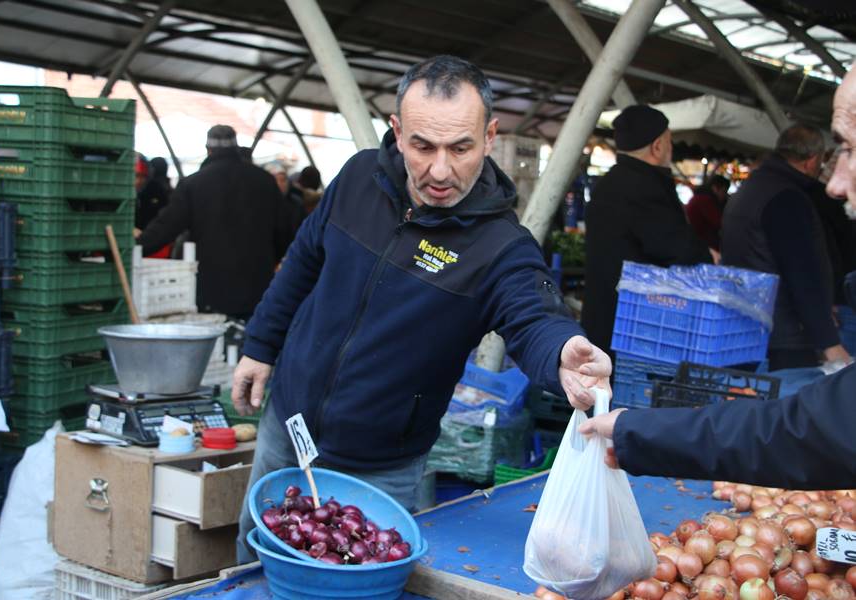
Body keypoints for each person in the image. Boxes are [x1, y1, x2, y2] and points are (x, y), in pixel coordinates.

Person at [231, 55, 613, 563]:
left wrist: (562, 350)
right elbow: (303, 261)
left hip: (382, 463)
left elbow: (532, 314)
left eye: (461, 148)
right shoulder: (357, 177)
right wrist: (260, 345)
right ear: (396, 130)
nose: (440, 170)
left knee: (354, 587)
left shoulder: (499, 246)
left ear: (490, 136)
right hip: (287, 426)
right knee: (255, 562)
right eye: (422, 146)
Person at [577, 67, 856, 491]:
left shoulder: (613, 185)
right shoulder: (654, 187)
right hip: (658, 324)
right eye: (839, 152)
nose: (835, 185)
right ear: (658, 145)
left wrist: (643, 433)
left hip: (615, 317)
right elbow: (805, 428)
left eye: (850, 150)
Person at [582, 105, 712, 357]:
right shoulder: (646, 187)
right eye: (669, 141)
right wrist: (707, 254)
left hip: (606, 315)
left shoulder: (609, 183)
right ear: (658, 146)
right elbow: (672, 247)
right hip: (635, 326)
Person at [721, 123, 851, 370]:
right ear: (812, 161)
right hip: (783, 335)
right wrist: (828, 341)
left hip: (745, 327)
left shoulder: (750, 190)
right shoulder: (786, 198)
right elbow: (802, 272)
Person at [136, 125, 288, 319]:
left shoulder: (193, 184)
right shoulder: (265, 181)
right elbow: (284, 229)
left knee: (217, 344)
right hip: (258, 286)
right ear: (236, 147)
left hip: (211, 289)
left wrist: (136, 247)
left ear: (208, 149)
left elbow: (166, 227)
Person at [685, 174, 730, 252]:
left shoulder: (699, 197)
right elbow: (719, 222)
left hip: (696, 241)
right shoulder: (705, 200)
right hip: (702, 244)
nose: (725, 195)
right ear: (715, 188)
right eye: (724, 191)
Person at [135, 157, 173, 232]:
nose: (139, 181)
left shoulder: (152, 190)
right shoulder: (167, 189)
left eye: (143, 176)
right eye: (137, 176)